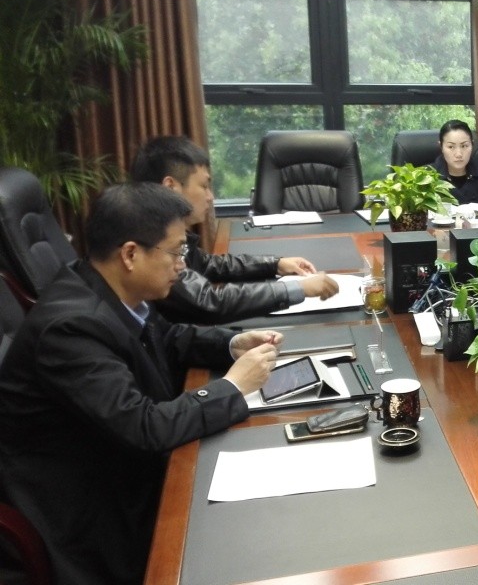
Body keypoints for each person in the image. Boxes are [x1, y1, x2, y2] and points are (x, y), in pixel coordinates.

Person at [0, 183, 282, 584]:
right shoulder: (70, 328)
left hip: (119, 465)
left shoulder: (103, 286)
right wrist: (233, 387)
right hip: (94, 513)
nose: (183, 266)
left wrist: (231, 344)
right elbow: (144, 428)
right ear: (131, 254)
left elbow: (168, 338)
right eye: (176, 252)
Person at [131, 136, 339, 324]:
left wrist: (275, 264)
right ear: (170, 187)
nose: (210, 197)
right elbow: (210, 301)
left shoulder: (158, 226)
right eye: (204, 186)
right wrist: (298, 288)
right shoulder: (152, 241)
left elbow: (207, 264)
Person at [431, 119, 478, 204]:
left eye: (464, 146)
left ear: (472, 145)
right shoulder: (427, 176)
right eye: (451, 147)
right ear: (441, 147)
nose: (459, 154)